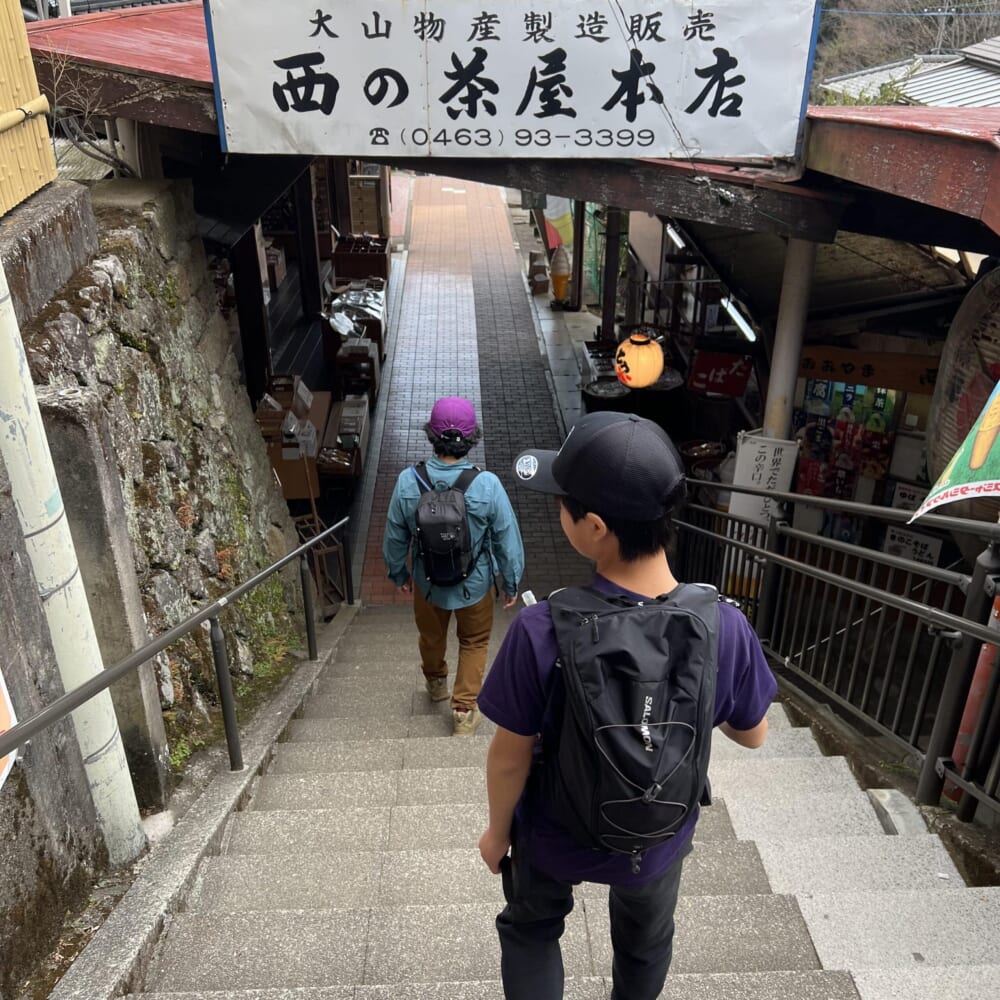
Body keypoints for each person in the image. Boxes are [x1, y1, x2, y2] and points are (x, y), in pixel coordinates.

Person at [476, 411, 777, 999]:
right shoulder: (722, 625)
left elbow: (510, 757)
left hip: (553, 830)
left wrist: (495, 833)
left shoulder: (542, 629)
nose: (556, 511)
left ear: (593, 527)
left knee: (531, 928)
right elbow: (754, 734)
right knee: (645, 942)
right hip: (655, 835)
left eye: (561, 504)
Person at [383, 396, 525, 736]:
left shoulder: (408, 481)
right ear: (472, 437)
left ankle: (435, 683)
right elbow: (507, 537)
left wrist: (399, 573)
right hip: (474, 584)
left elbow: (394, 536)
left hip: (427, 581)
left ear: (432, 435)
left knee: (431, 635)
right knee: (474, 641)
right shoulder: (487, 484)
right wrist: (511, 580)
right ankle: (463, 711)